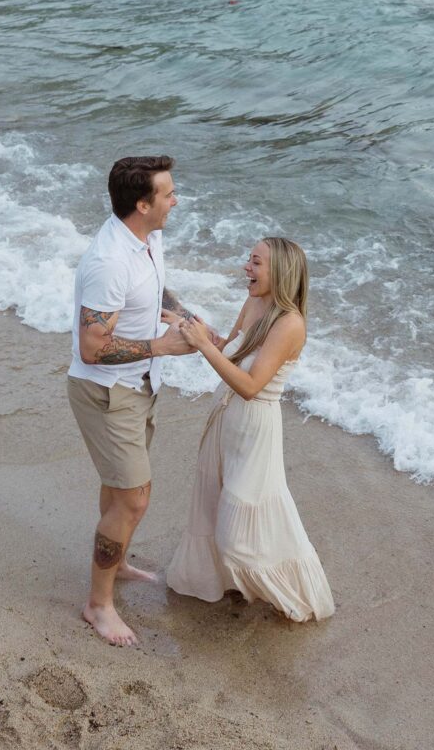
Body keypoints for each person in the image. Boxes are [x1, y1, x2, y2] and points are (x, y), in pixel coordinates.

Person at [67, 155, 210, 648]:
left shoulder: (147, 237)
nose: (176, 200)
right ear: (143, 204)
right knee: (134, 498)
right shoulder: (108, 261)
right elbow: (92, 346)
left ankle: (118, 560)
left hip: (139, 384)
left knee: (122, 492)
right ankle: (98, 605)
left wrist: (185, 318)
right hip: (107, 391)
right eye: (169, 194)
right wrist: (160, 346)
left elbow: (153, 288)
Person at [166, 237, 335, 623]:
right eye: (249, 260)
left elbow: (250, 384)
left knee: (239, 532)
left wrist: (203, 347)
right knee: (211, 506)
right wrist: (193, 327)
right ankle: (222, 583)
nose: (247, 268)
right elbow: (231, 350)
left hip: (255, 428)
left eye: (256, 262)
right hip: (224, 419)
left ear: (280, 271)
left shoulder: (291, 324)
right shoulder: (254, 302)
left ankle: (288, 593)